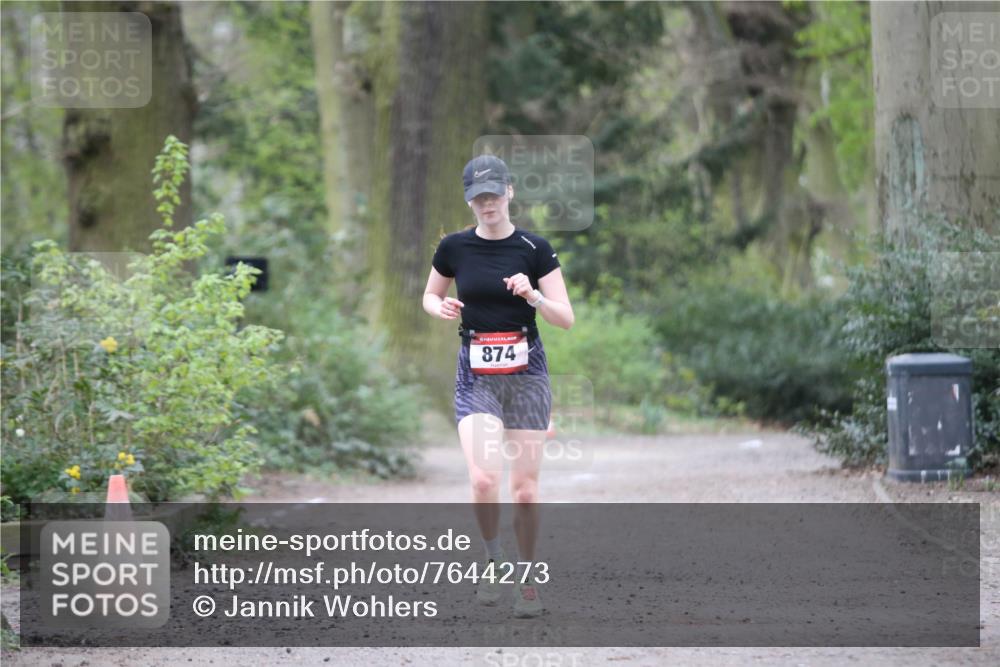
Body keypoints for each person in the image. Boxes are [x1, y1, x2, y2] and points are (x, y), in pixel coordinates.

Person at [422, 154, 574, 618]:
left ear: (509, 192)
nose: (487, 204)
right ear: (470, 201)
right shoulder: (453, 247)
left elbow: (564, 318)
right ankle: (492, 560)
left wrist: (533, 295)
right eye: (477, 197)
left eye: (493, 194)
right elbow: (431, 294)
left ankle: (528, 581)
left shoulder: (535, 248)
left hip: (527, 374)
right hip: (476, 373)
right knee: (484, 477)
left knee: (525, 490)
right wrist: (439, 308)